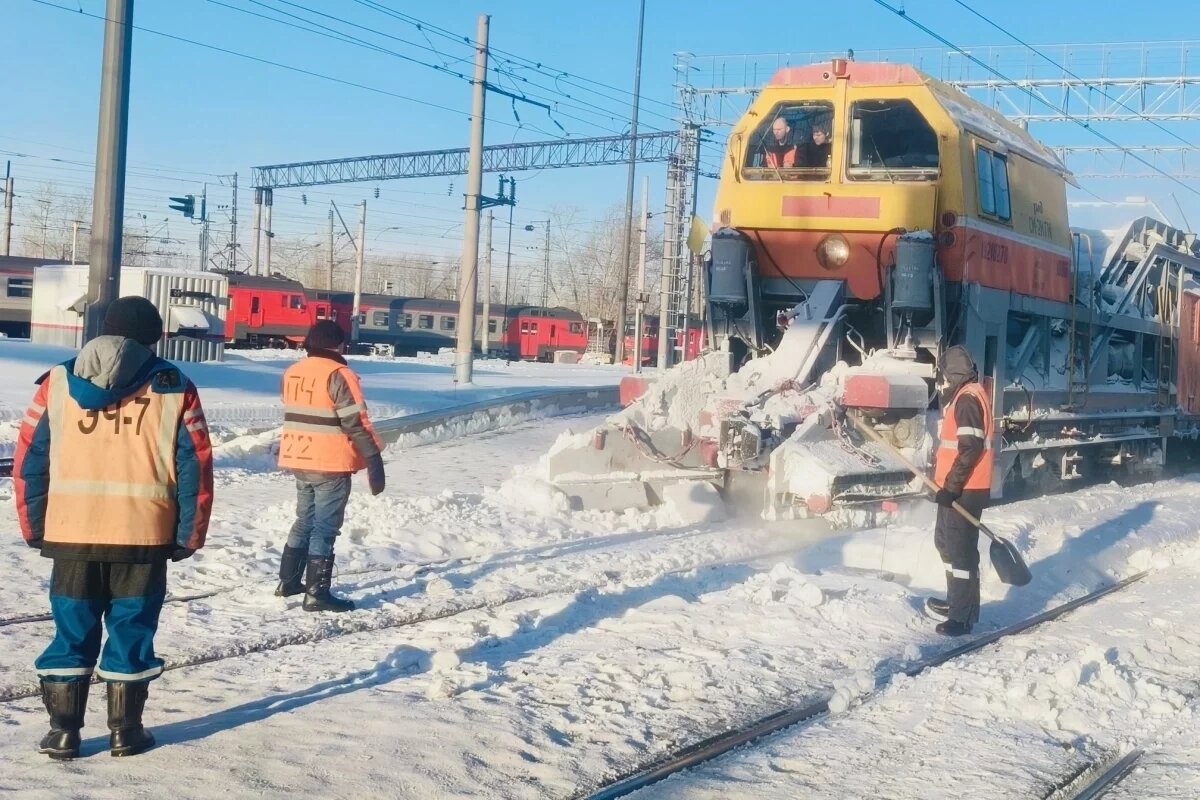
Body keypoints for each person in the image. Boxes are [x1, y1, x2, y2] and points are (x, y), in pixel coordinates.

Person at [14, 296, 214, 759]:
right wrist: (189, 532)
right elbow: (195, 465)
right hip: (143, 535)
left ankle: (63, 732)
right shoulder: (174, 386)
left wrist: (36, 525)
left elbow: (30, 461)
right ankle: (126, 731)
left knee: (71, 631)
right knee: (132, 629)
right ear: (154, 338)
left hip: (72, 533)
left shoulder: (57, 383)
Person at [276, 320, 385, 613]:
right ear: (338, 345)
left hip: (298, 456)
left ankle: (288, 582)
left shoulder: (293, 371)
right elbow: (355, 422)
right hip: (329, 461)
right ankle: (317, 595)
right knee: (324, 528)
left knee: (304, 520)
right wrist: (373, 456)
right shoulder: (339, 374)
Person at [925, 345, 993, 637]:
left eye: (944, 375)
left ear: (953, 374)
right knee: (946, 545)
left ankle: (962, 618)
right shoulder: (967, 395)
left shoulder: (967, 399)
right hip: (956, 487)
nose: (942, 382)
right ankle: (957, 602)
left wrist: (952, 488)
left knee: (961, 552)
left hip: (965, 489)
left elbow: (970, 448)